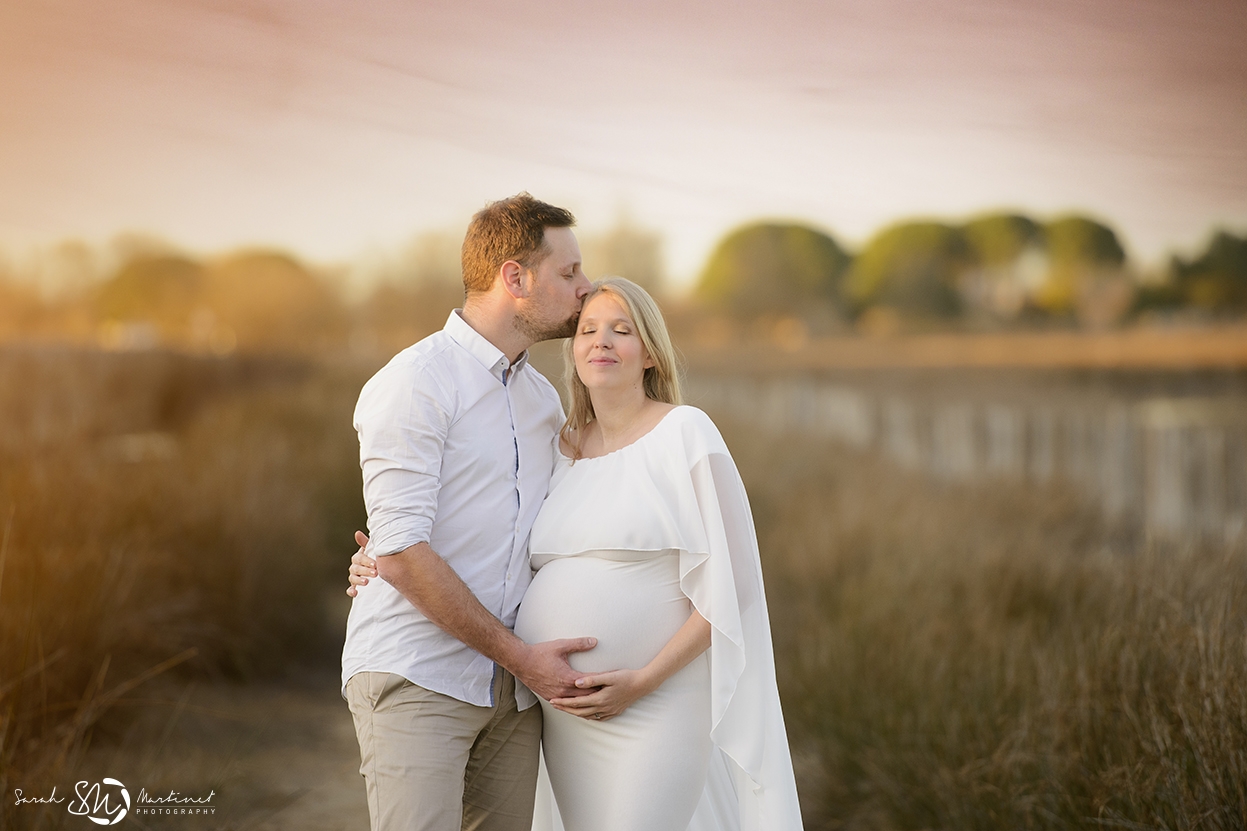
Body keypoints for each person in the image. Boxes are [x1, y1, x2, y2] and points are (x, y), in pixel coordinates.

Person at [352, 278, 805, 831]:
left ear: (651, 353)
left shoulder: (687, 432)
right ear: (573, 350)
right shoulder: (559, 441)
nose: (601, 342)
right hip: (564, 713)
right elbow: (490, 518)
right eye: (588, 329)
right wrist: (383, 555)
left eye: (622, 330)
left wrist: (644, 679)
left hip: (658, 701)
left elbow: (736, 582)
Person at [341, 193, 606, 831]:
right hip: (419, 677)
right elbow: (403, 552)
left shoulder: (544, 402)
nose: (585, 286)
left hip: (514, 698)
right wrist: (521, 656)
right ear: (515, 278)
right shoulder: (415, 382)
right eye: (568, 272)